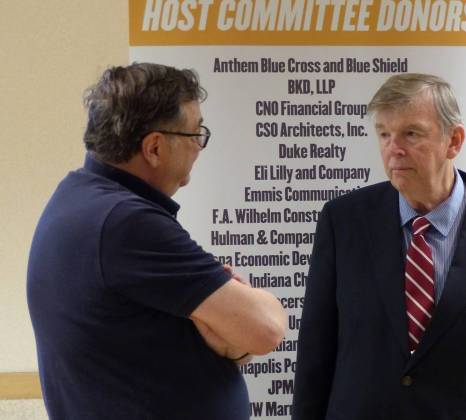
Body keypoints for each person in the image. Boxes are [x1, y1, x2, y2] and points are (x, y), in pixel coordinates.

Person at [27, 63, 286, 420]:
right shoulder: (125, 223)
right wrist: (236, 329)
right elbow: (267, 329)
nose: (199, 147)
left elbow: (223, 339)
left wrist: (229, 341)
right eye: (195, 134)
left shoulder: (78, 196)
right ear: (154, 148)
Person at [292, 73, 466, 419]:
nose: (393, 149)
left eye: (411, 134)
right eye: (384, 134)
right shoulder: (344, 222)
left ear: (454, 141)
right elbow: (315, 355)